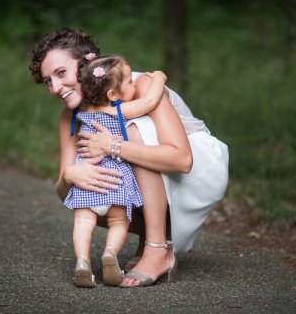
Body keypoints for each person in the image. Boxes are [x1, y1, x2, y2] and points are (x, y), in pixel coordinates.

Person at [29, 28, 229, 287]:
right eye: (48, 81)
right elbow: (63, 191)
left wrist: (112, 146)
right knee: (83, 196)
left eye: (61, 73)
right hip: (167, 180)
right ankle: (150, 238)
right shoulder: (70, 117)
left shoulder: (136, 86)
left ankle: (158, 248)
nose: (55, 88)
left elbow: (182, 160)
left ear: (88, 63)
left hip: (200, 170)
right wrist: (70, 174)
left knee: (132, 130)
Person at [66, 53, 167, 287]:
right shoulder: (117, 111)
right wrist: (159, 77)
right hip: (114, 181)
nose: (133, 84)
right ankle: (110, 253)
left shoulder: (81, 113)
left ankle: (82, 262)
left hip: (87, 179)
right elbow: (150, 101)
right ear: (112, 95)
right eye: (130, 82)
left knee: (82, 223)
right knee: (119, 223)